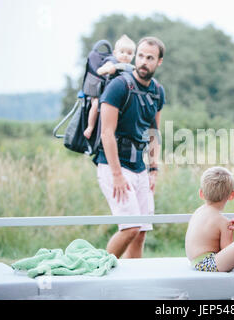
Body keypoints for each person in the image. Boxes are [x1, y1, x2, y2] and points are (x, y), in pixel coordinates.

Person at [94, 36, 166, 259]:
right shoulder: (119, 86)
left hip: (139, 166)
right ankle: (98, 274)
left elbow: (154, 132)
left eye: (150, 58)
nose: (144, 61)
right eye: (141, 56)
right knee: (130, 228)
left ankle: (133, 288)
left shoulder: (157, 91)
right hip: (113, 165)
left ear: (159, 62)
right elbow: (107, 132)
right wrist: (116, 175)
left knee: (142, 230)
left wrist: (153, 170)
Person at [83, 34, 136, 140]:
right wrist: (109, 69)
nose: (125, 55)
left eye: (129, 53)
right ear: (115, 53)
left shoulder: (131, 68)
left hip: (119, 96)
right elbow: (99, 71)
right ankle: (90, 126)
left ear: (133, 56)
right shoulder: (111, 62)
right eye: (122, 52)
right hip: (102, 93)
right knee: (96, 103)